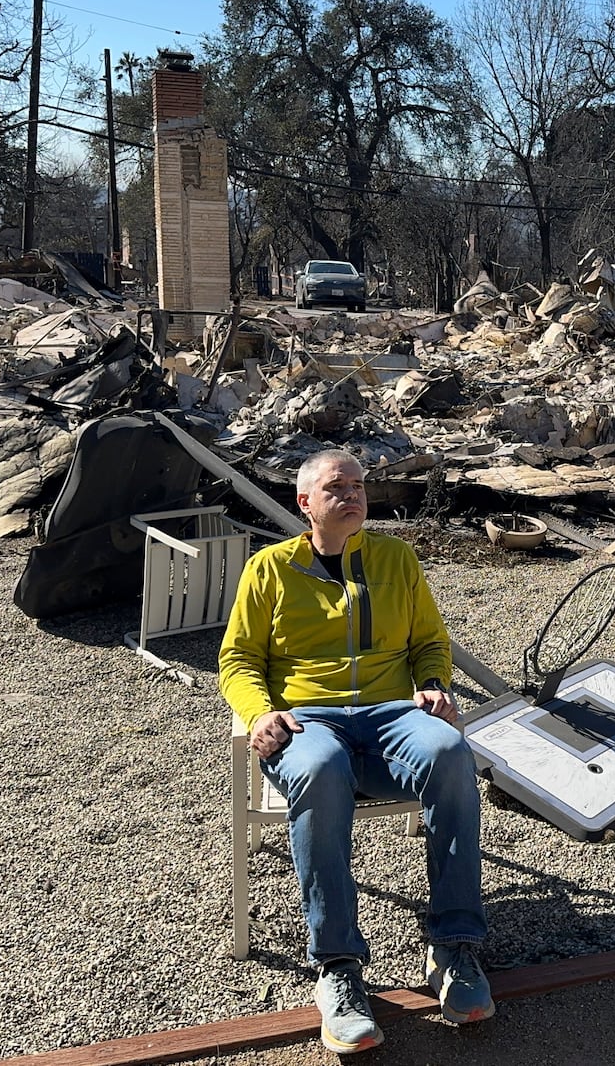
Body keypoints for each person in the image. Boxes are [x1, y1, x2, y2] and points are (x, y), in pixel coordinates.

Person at [219, 448, 492, 1054]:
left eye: (360, 485)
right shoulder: (270, 569)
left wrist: (435, 685)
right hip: (308, 720)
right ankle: (338, 966)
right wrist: (259, 713)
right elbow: (237, 660)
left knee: (450, 750)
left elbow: (429, 641)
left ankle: (455, 948)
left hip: (391, 717)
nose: (353, 495)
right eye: (337, 487)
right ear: (305, 503)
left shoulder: (395, 558)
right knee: (319, 766)